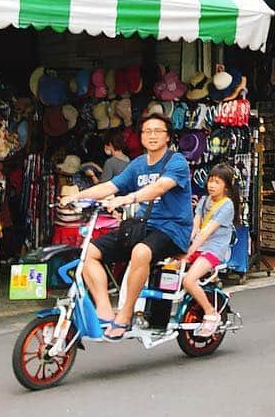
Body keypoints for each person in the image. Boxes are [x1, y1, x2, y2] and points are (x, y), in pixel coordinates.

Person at [67, 113, 193, 340]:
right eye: (147, 131)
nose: (152, 136)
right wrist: (76, 196)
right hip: (143, 226)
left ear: (168, 137)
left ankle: (125, 315)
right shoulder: (138, 165)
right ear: (141, 137)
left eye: (158, 131)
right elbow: (110, 186)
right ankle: (105, 311)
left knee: (140, 252)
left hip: (172, 229)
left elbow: (159, 188)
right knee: (90, 253)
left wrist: (129, 198)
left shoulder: (176, 162)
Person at [183, 162, 239, 337]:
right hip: (200, 246)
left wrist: (189, 253)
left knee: (188, 280)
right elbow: (195, 227)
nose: (211, 185)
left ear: (226, 187)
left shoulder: (227, 205)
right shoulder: (203, 199)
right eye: (210, 181)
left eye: (217, 182)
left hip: (214, 250)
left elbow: (206, 232)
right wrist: (183, 248)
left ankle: (210, 313)